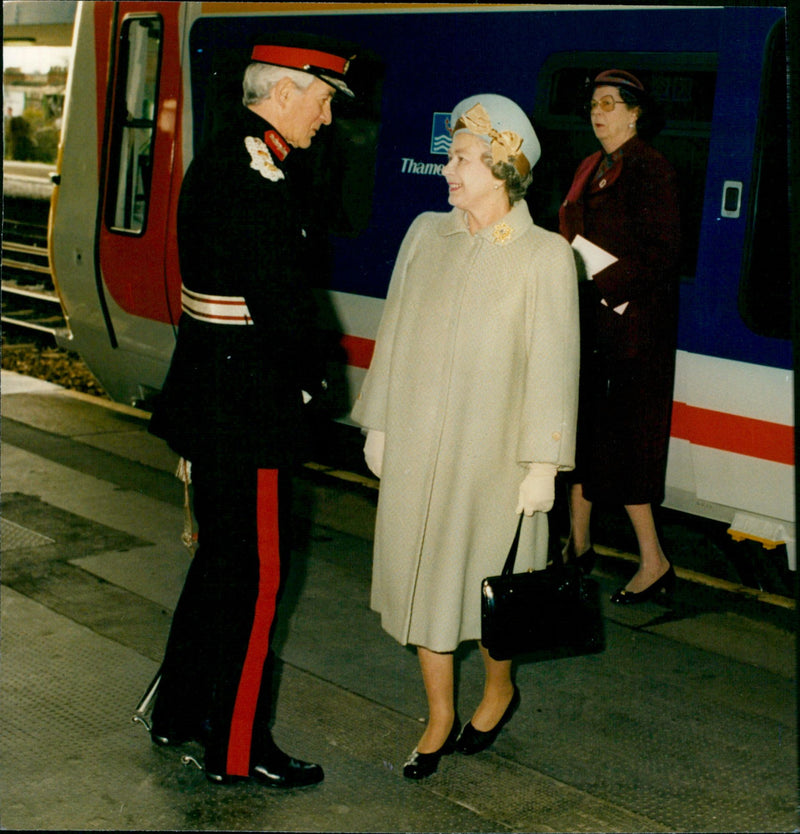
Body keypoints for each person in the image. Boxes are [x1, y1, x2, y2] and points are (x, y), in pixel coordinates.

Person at [146, 33, 357, 787]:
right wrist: (312, 383)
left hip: (212, 396)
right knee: (258, 579)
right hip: (251, 407)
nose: (327, 118)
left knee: (219, 566)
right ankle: (237, 750)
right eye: (325, 100)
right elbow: (280, 304)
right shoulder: (261, 175)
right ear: (287, 90)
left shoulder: (226, 157)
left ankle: (177, 713)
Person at [351, 94, 579, 779]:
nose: (447, 170)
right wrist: (381, 421)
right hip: (419, 447)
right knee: (422, 580)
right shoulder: (427, 234)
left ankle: (500, 687)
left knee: (488, 584)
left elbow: (554, 363)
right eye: (451, 156)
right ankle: (439, 713)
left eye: (461, 158)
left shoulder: (545, 257)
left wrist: (544, 461)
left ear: (504, 168)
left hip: (494, 460)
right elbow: (393, 333)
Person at [558, 69, 681, 603]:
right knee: (582, 432)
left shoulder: (652, 168)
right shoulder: (591, 166)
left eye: (610, 104)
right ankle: (578, 545)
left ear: (635, 113)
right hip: (591, 323)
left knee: (628, 446)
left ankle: (654, 562)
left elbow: (663, 252)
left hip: (634, 330)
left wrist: (606, 284)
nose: (598, 112)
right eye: (593, 104)